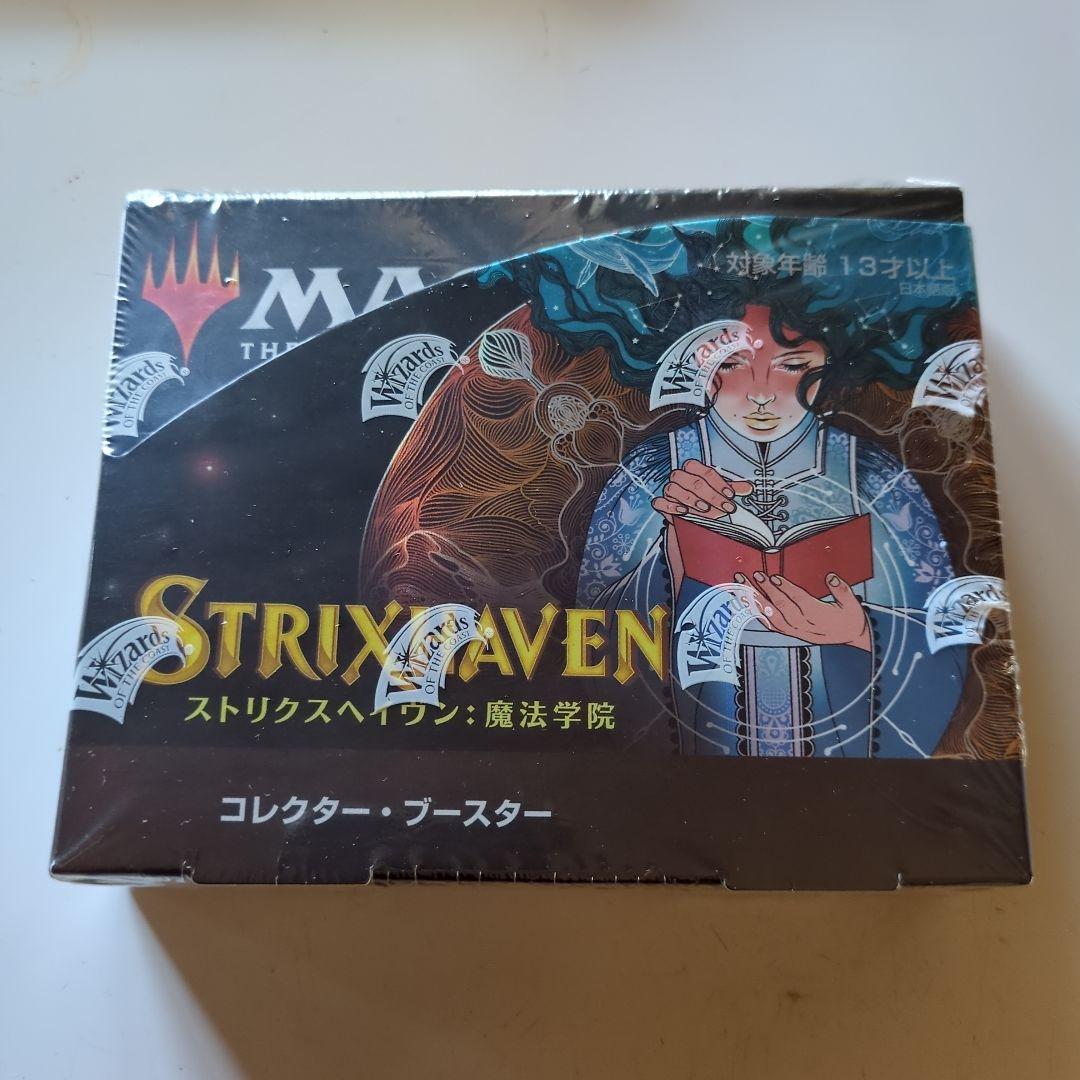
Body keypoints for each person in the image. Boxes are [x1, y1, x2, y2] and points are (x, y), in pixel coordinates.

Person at [577, 300, 969, 758]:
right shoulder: (652, 470)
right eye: (732, 364)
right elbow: (592, 634)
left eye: (792, 366)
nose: (761, 394)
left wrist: (860, 630)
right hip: (700, 741)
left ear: (831, 362)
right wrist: (674, 549)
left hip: (840, 746)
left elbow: (945, 631)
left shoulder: (874, 476)